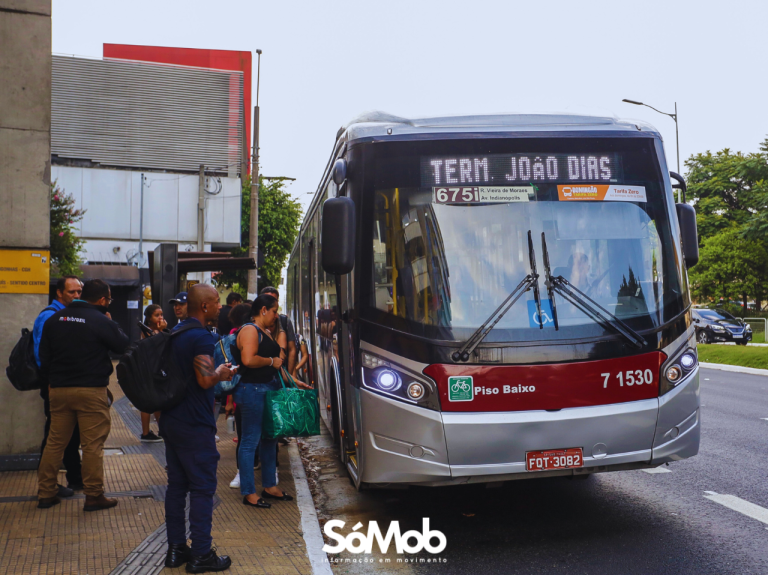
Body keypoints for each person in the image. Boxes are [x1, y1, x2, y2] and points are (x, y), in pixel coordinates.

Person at [37, 279, 129, 511]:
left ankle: (46, 493)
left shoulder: (54, 319)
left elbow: (44, 357)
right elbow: (121, 344)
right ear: (102, 300)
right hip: (90, 391)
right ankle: (94, 495)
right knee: (91, 445)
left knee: (55, 442)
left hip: (58, 390)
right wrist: (111, 322)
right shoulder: (100, 319)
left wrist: (51, 382)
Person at [160, 284, 234, 572]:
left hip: (171, 420)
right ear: (204, 307)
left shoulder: (174, 333)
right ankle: (202, 553)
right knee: (203, 488)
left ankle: (177, 550)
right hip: (194, 423)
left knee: (177, 487)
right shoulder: (202, 337)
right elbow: (204, 379)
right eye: (217, 302)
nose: (220, 307)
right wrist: (222, 372)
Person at [231, 294, 293, 509]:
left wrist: (294, 382)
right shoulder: (249, 330)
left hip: (267, 389)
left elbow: (277, 366)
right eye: (275, 311)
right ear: (264, 310)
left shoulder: (264, 331)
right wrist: (271, 361)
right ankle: (249, 492)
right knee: (249, 441)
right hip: (253, 391)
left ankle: (269, 486)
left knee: (269, 439)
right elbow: (248, 359)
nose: (276, 316)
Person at [33, 275, 84, 497]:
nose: (76, 296)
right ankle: (48, 485)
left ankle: (75, 478)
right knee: (54, 437)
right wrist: (52, 381)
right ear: (59, 293)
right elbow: (40, 354)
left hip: (67, 384)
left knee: (72, 436)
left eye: (79, 292)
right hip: (54, 385)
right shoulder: (49, 317)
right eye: (71, 292)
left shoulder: (70, 316)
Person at [224, 303, 258, 489]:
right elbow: (235, 369)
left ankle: (244, 474)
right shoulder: (240, 336)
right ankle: (244, 476)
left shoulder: (239, 334)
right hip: (245, 392)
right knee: (248, 438)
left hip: (241, 393)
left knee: (246, 437)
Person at [139, 304, 166, 443]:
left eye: (161, 314)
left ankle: (162, 429)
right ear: (149, 318)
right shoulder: (148, 331)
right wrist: (162, 331)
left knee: (158, 402)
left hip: (155, 370)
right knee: (149, 401)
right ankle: (145, 432)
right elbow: (157, 347)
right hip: (150, 370)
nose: (160, 317)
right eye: (157, 315)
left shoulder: (154, 330)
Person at [259, 287, 298, 375]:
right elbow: (249, 360)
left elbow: (292, 350)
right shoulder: (252, 326)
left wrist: (289, 376)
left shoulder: (284, 322)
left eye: (274, 300)